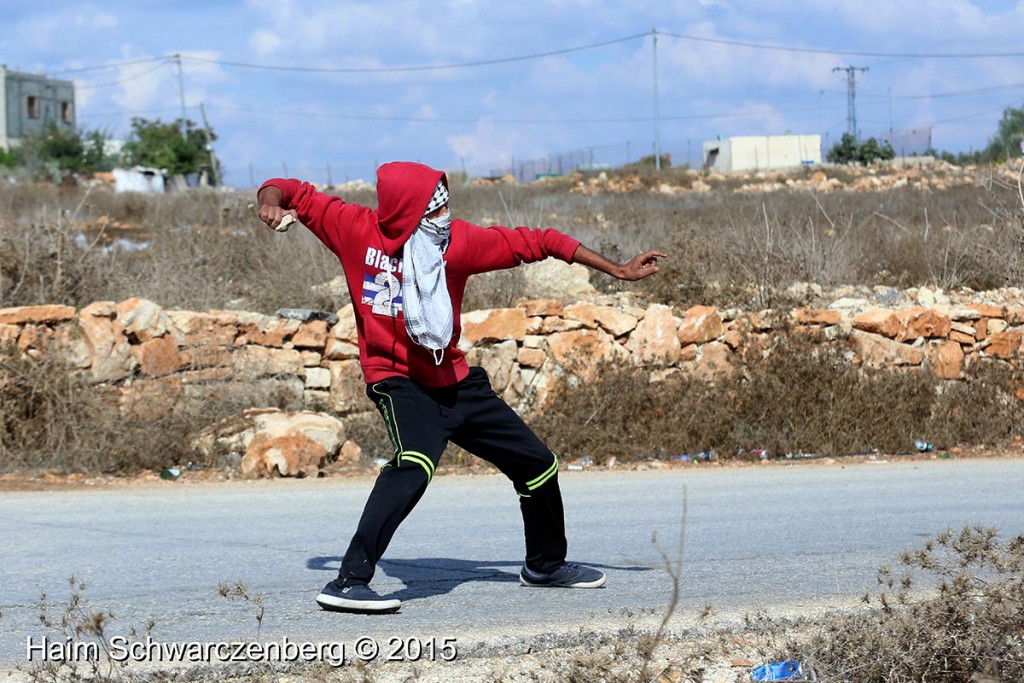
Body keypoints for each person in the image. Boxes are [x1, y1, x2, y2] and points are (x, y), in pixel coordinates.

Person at [257, 161, 665, 613]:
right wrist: (269, 203)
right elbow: (288, 187)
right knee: (414, 463)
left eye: (447, 204)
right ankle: (348, 582)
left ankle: (545, 565)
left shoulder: (457, 243)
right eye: (437, 207)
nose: (445, 215)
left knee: (538, 465)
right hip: (396, 380)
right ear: (408, 210)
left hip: (454, 379)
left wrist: (619, 271)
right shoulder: (352, 227)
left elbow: (542, 241)